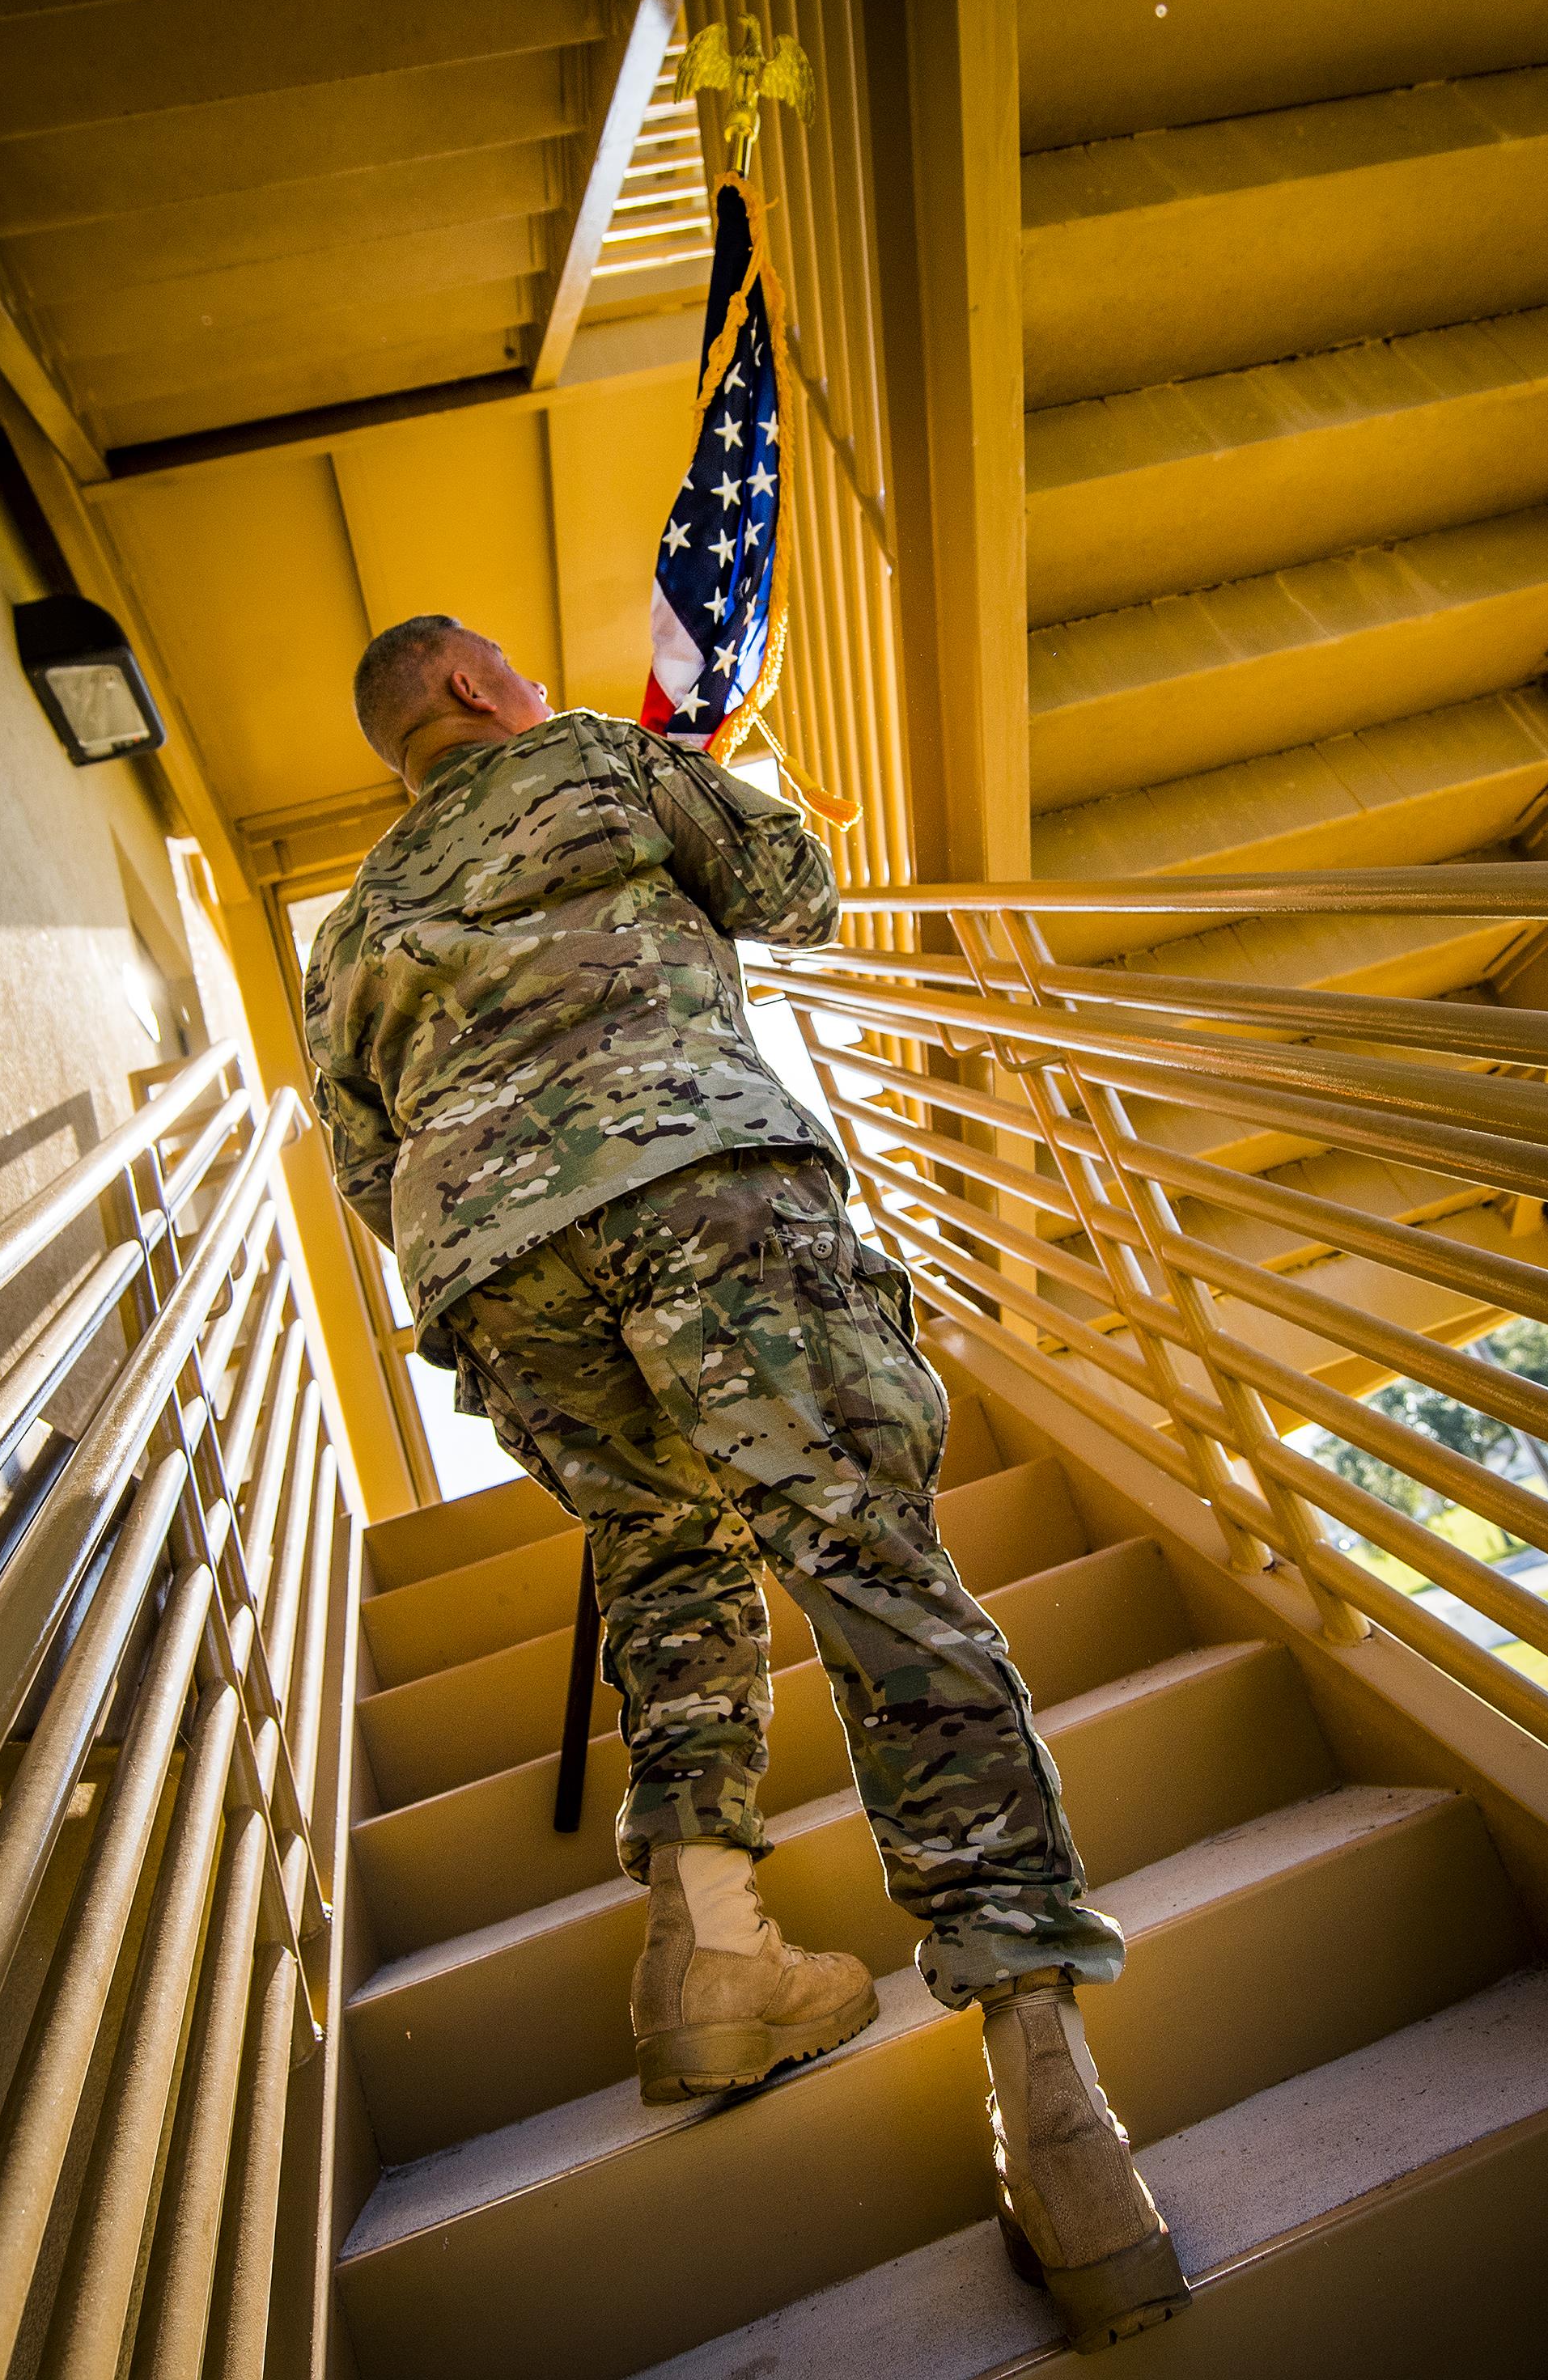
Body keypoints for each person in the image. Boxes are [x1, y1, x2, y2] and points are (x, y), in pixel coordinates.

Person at [303, 615, 1189, 2352]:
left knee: (662, 1552)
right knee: (865, 1567)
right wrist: (716, 776)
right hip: (700, 1182)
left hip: (489, 1269)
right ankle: (1050, 2106)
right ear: (483, 692)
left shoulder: (340, 945)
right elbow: (794, 893)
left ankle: (708, 1954)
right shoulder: (597, 760)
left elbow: (356, 1161)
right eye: (511, 669)